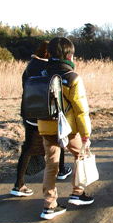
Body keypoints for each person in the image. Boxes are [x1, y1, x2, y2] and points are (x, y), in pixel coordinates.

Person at [38, 37, 93, 220]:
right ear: (69, 55)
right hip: (67, 130)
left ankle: (49, 205)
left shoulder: (41, 75)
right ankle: (77, 193)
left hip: (46, 127)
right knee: (80, 156)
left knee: (51, 164)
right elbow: (81, 109)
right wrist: (86, 134)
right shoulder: (72, 78)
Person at [10, 41, 72, 197]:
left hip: (29, 112)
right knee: (59, 138)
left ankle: (19, 184)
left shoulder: (30, 66)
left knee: (28, 148)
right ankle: (61, 170)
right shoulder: (48, 68)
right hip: (46, 114)